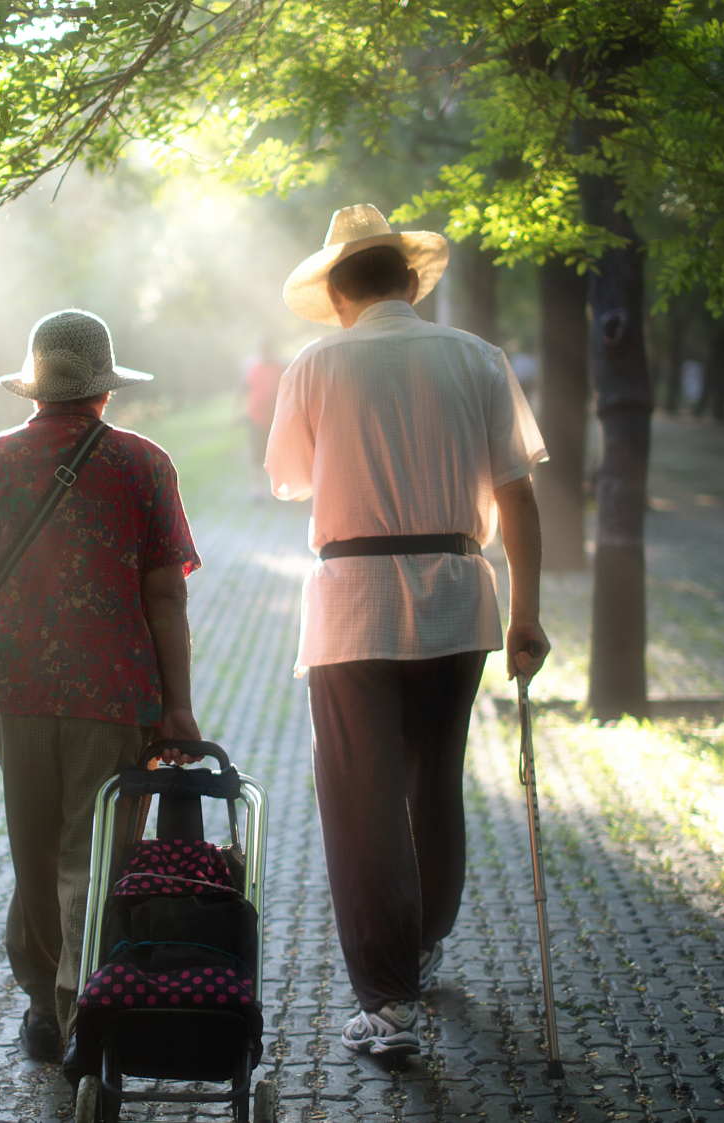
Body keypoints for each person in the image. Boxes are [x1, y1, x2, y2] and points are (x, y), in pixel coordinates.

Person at [0, 309, 203, 1065]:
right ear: (105, 391)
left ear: (35, 388)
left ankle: (45, 1006)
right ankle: (82, 1011)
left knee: (37, 846)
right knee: (95, 851)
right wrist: (178, 705)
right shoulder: (144, 465)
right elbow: (166, 596)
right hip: (116, 689)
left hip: (12, 686)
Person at [264, 204, 551, 1059]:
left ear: (340, 293)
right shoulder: (477, 358)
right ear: (409, 281)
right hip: (461, 600)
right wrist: (526, 612)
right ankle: (421, 940)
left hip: (353, 601)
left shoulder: (314, 366)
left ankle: (384, 1002)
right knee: (433, 782)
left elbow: (289, 479)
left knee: (361, 798)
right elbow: (519, 497)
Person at [241, 336, 284, 473]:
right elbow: (244, 387)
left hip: (276, 417)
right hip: (256, 417)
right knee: (257, 453)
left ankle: (276, 485)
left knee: (276, 452)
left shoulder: (279, 366)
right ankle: (258, 489)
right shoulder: (252, 367)